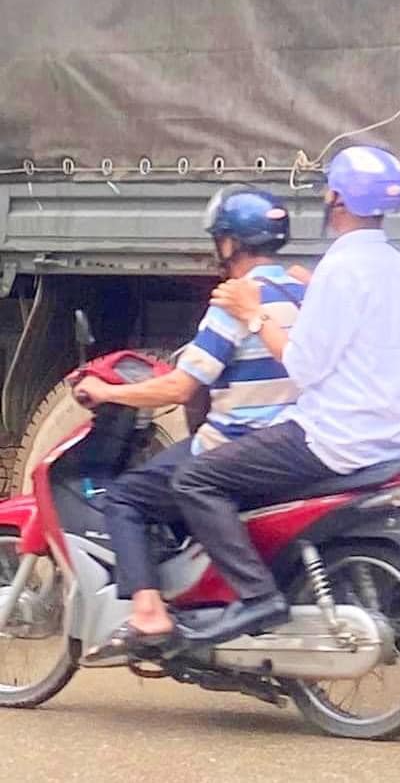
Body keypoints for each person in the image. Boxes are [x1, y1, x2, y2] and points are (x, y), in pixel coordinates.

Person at [168, 145, 400, 646]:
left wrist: (252, 312)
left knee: (195, 479)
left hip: (328, 437)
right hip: (388, 440)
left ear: (337, 200)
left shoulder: (340, 267)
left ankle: (257, 598)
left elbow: (304, 366)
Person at [75, 188, 305, 658]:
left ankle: (148, 614)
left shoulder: (234, 301)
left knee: (127, 497)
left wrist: (108, 392)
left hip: (238, 442)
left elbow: (181, 389)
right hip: (292, 440)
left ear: (229, 244)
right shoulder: (306, 289)